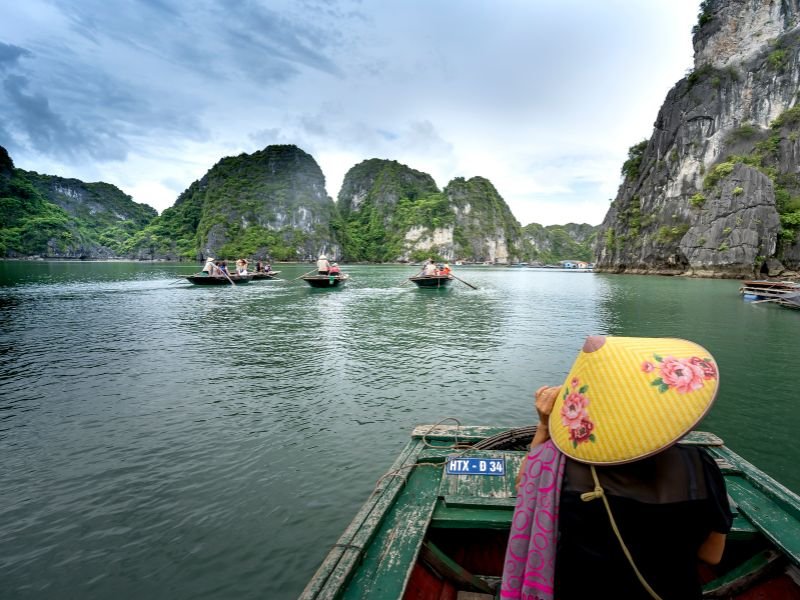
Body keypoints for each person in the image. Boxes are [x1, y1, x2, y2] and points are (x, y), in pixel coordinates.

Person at [502, 335, 732, 600]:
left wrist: (544, 427)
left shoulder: (559, 462)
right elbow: (711, 555)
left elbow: (525, 486)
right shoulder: (699, 465)